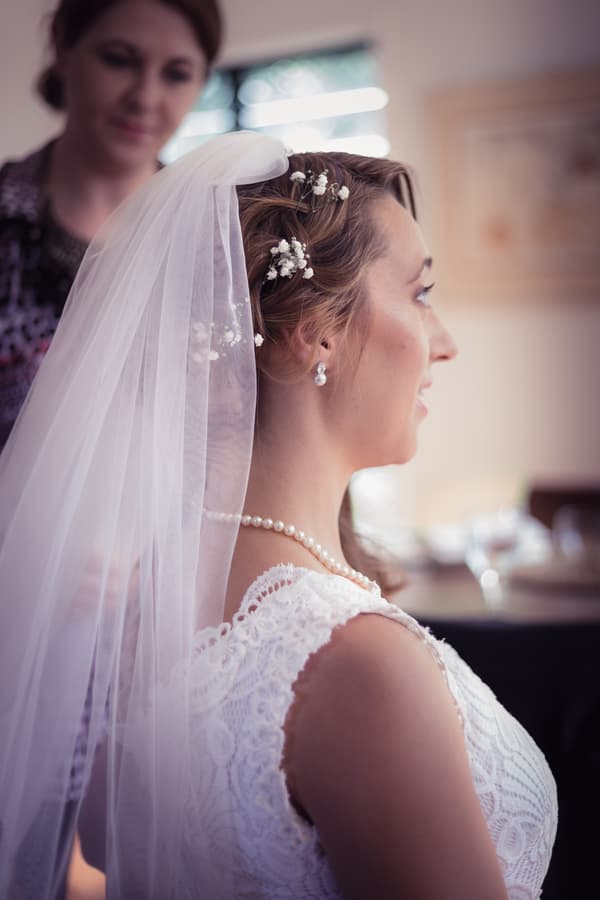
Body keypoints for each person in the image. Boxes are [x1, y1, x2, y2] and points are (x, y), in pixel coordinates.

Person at [0, 132, 557, 899]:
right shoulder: (358, 665)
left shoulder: (146, 616)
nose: (446, 343)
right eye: (421, 294)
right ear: (312, 331)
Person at [0, 0, 222, 448]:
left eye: (176, 74)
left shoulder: (221, 242)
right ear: (63, 47)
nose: (144, 98)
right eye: (119, 60)